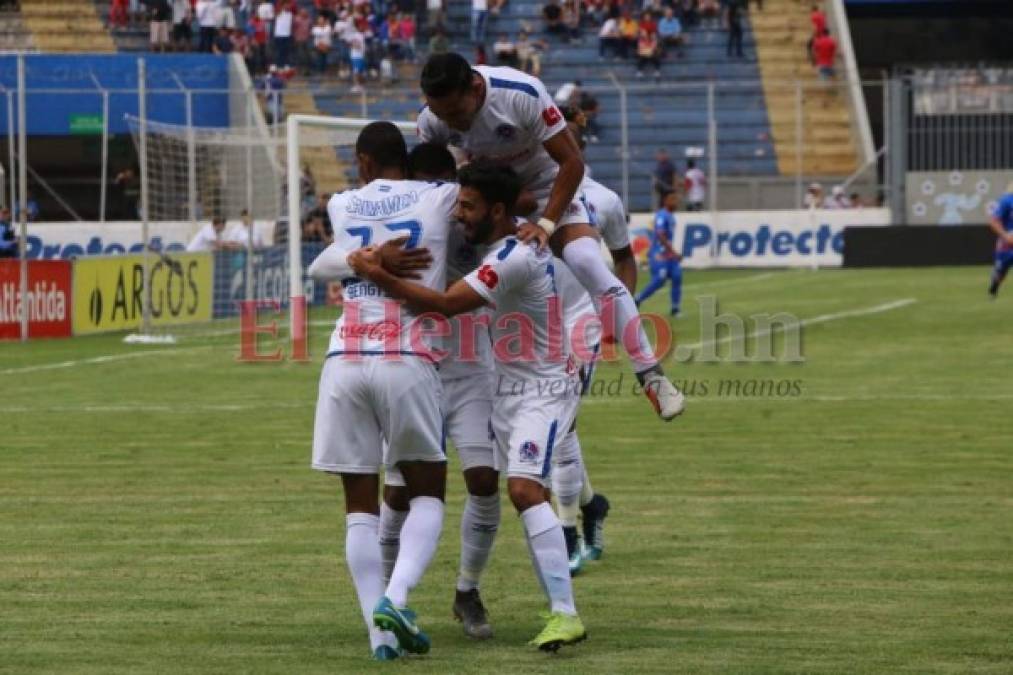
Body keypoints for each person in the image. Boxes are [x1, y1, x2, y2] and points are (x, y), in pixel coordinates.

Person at [349, 161, 589, 651]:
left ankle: (565, 614)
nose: (458, 213)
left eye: (468, 206)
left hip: (542, 390)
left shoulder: (509, 258)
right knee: (486, 489)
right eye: (457, 203)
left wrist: (375, 271)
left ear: (496, 210)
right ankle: (394, 602)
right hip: (506, 386)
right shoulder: (504, 244)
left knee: (522, 490)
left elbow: (442, 305)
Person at [417, 53, 685, 421]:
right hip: (488, 195)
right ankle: (427, 356)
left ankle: (651, 375)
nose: (450, 122)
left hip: (546, 189)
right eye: (441, 114)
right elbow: (431, 181)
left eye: (456, 114)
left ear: (476, 88)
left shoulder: (521, 93)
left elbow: (571, 163)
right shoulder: (432, 120)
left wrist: (544, 224)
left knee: (586, 260)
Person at [309, 122, 458, 660]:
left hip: (345, 357)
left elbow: (320, 260)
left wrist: (362, 258)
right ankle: (395, 598)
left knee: (359, 511)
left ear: (364, 162)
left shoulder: (343, 204)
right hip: (406, 357)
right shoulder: (442, 197)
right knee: (427, 493)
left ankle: (381, 638)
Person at [635, 190, 683, 317]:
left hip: (668, 254)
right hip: (659, 253)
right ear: (666, 200)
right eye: (673, 198)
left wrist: (672, 253)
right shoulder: (662, 215)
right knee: (660, 279)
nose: (676, 202)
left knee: (677, 276)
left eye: (676, 199)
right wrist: (674, 252)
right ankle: (638, 299)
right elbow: (660, 236)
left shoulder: (671, 216)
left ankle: (675, 308)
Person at [988, 184, 1013, 298]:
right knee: (1001, 272)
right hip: (1007, 244)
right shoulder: (1006, 201)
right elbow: (994, 222)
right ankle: (995, 285)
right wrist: (1005, 236)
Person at [273, 2, 294, 66]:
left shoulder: (291, 14)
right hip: (279, 35)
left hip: (287, 35)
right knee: (279, 52)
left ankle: (285, 65)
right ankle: (279, 65)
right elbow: (276, 10)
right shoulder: (279, 13)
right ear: (283, 6)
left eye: (288, 5)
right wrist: (281, 5)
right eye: (286, 5)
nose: (287, 6)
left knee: (286, 51)